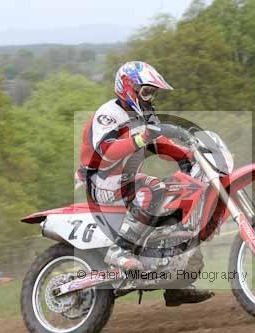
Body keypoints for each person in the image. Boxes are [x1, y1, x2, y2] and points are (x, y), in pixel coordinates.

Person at [77, 61, 214, 306]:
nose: (150, 97)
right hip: (100, 179)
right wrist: (141, 137)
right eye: (146, 91)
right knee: (152, 190)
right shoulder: (108, 114)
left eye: (152, 93)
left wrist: (190, 154)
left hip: (125, 180)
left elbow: (159, 143)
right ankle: (120, 250)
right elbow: (105, 151)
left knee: (172, 194)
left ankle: (175, 283)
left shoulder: (144, 114)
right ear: (129, 88)